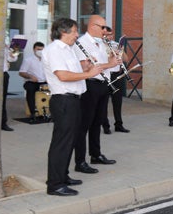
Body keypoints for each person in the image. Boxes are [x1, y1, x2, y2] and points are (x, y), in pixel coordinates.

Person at [43, 17, 116, 197]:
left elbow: (75, 72)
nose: (77, 35)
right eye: (74, 31)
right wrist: (89, 74)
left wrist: (86, 69)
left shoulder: (68, 50)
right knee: (61, 143)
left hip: (74, 99)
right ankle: (55, 184)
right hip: (63, 100)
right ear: (63, 31)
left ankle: (63, 176)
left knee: (70, 140)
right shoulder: (54, 50)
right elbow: (62, 75)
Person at [73, 15, 119, 174]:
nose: (105, 31)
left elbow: (108, 66)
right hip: (89, 85)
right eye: (103, 28)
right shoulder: (81, 43)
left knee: (97, 122)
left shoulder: (101, 43)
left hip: (102, 84)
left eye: (106, 28)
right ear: (93, 26)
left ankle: (95, 154)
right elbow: (86, 67)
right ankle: (80, 161)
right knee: (84, 124)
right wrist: (109, 63)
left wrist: (114, 58)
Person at [102, 29, 129, 134]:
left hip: (117, 76)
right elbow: (103, 62)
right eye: (107, 35)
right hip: (106, 76)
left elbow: (126, 59)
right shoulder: (100, 46)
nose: (110, 37)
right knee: (104, 103)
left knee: (117, 102)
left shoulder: (116, 44)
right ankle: (105, 126)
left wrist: (121, 51)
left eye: (111, 35)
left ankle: (119, 124)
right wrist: (112, 55)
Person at [18, 42, 47, 121]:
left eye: (42, 49)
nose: (40, 51)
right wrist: (30, 76)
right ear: (34, 49)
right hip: (32, 82)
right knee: (30, 90)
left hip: (44, 82)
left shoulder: (47, 60)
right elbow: (21, 72)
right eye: (38, 49)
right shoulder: (28, 60)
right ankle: (32, 112)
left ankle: (50, 112)